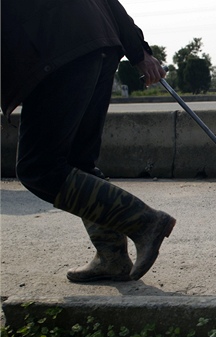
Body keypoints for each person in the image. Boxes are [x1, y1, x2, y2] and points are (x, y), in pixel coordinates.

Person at [1, 0, 176, 282]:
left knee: (39, 169)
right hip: (98, 43)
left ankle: (144, 221)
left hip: (55, 50)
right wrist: (139, 52)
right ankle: (112, 257)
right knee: (78, 162)